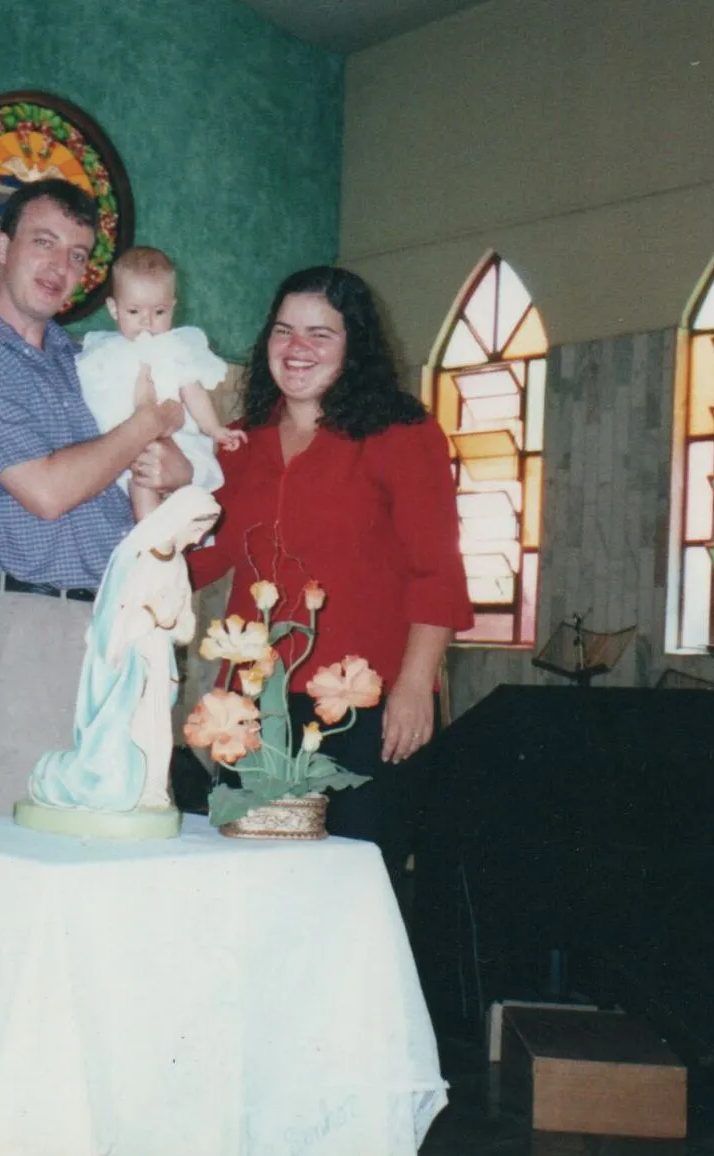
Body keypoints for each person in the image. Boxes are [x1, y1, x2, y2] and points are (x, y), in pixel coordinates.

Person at [0, 180, 193, 819]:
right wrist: (147, 427)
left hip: (118, 625)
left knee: (119, 836)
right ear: (3, 246)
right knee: (6, 839)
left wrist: (174, 468)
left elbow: (146, 487)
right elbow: (47, 491)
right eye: (44, 243)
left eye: (77, 254)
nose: (61, 266)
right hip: (32, 625)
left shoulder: (87, 360)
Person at [186, 266, 473, 877]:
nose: (297, 349)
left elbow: (437, 571)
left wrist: (416, 687)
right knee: (249, 886)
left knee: (356, 888)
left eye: (321, 334)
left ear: (356, 345)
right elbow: (197, 559)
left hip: (367, 707)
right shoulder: (237, 444)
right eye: (284, 331)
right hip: (254, 713)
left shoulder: (402, 433)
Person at [29, 485, 220, 814]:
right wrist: (153, 615)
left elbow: (186, 627)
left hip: (159, 661)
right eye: (197, 529)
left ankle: (154, 789)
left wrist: (171, 619)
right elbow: (113, 632)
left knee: (159, 731)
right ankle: (128, 790)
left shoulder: (177, 566)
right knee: (132, 732)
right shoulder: (138, 561)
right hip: (129, 666)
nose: (199, 539)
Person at [76, 247, 243, 495]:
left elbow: (193, 392)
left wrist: (214, 428)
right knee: (140, 480)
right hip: (122, 443)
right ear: (114, 308)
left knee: (177, 488)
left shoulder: (175, 349)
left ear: (172, 308)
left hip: (174, 443)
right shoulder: (103, 352)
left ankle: (171, 526)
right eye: (134, 311)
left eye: (159, 312)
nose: (147, 321)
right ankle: (153, 527)